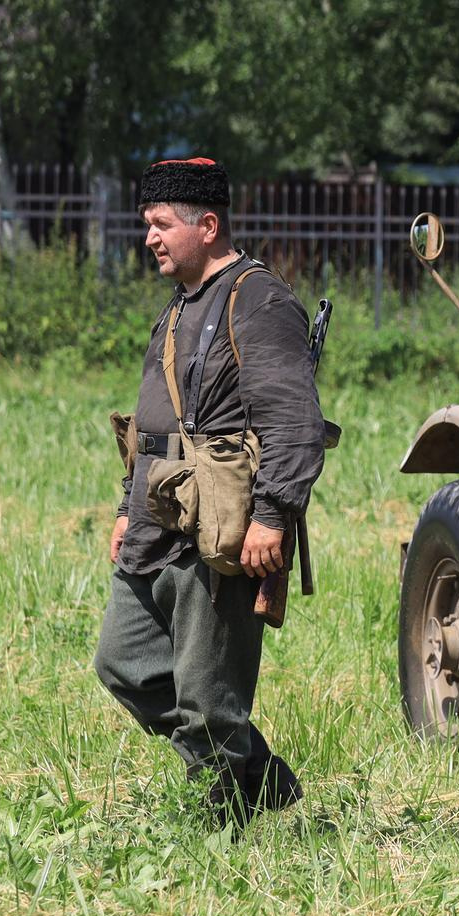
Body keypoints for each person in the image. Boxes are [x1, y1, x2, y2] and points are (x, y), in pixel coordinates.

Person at [95, 157, 326, 820]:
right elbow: (149, 419)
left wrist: (273, 515)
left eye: (162, 223)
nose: (150, 237)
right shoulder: (176, 310)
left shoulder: (259, 300)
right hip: (156, 512)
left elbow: (294, 419)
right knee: (124, 661)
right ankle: (258, 773)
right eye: (147, 223)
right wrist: (123, 505)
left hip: (218, 521)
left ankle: (222, 822)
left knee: (205, 689)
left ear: (209, 224)